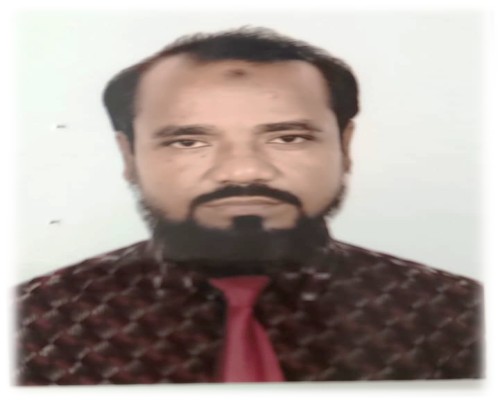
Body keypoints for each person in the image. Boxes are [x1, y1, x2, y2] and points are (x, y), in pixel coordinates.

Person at [15, 27, 483, 385]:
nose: (243, 172)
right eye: (188, 141)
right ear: (129, 157)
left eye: (288, 138)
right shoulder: (31, 323)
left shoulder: (462, 316)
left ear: (344, 146)